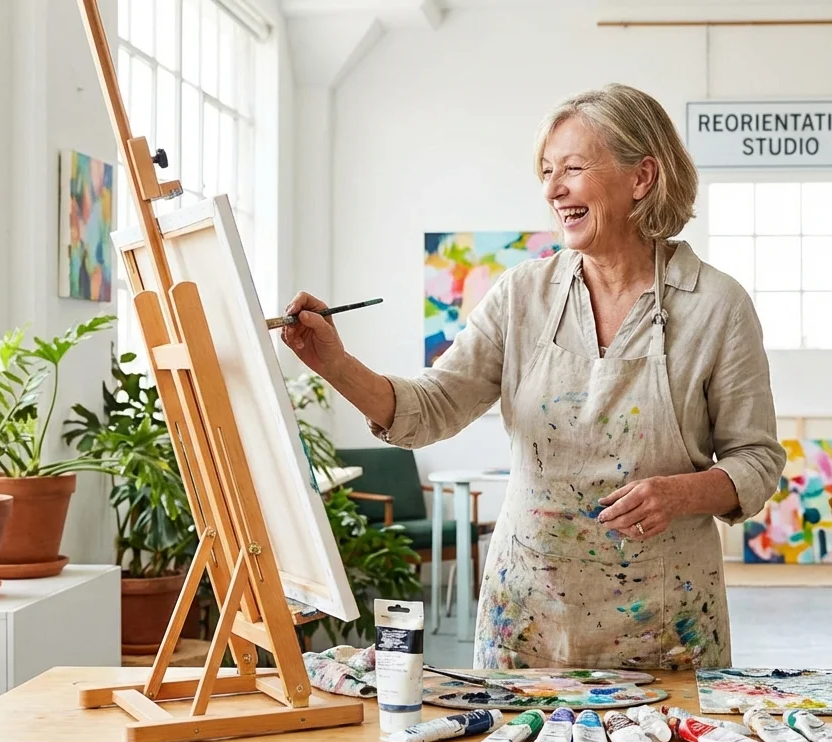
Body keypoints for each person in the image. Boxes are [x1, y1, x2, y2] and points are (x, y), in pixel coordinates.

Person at [282, 83, 786, 670]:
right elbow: (434, 405)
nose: (552, 189)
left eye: (572, 168)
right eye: (547, 171)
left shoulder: (717, 305)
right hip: (526, 620)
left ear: (642, 177)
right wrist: (335, 365)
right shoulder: (523, 294)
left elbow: (756, 459)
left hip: (664, 624)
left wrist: (683, 493)